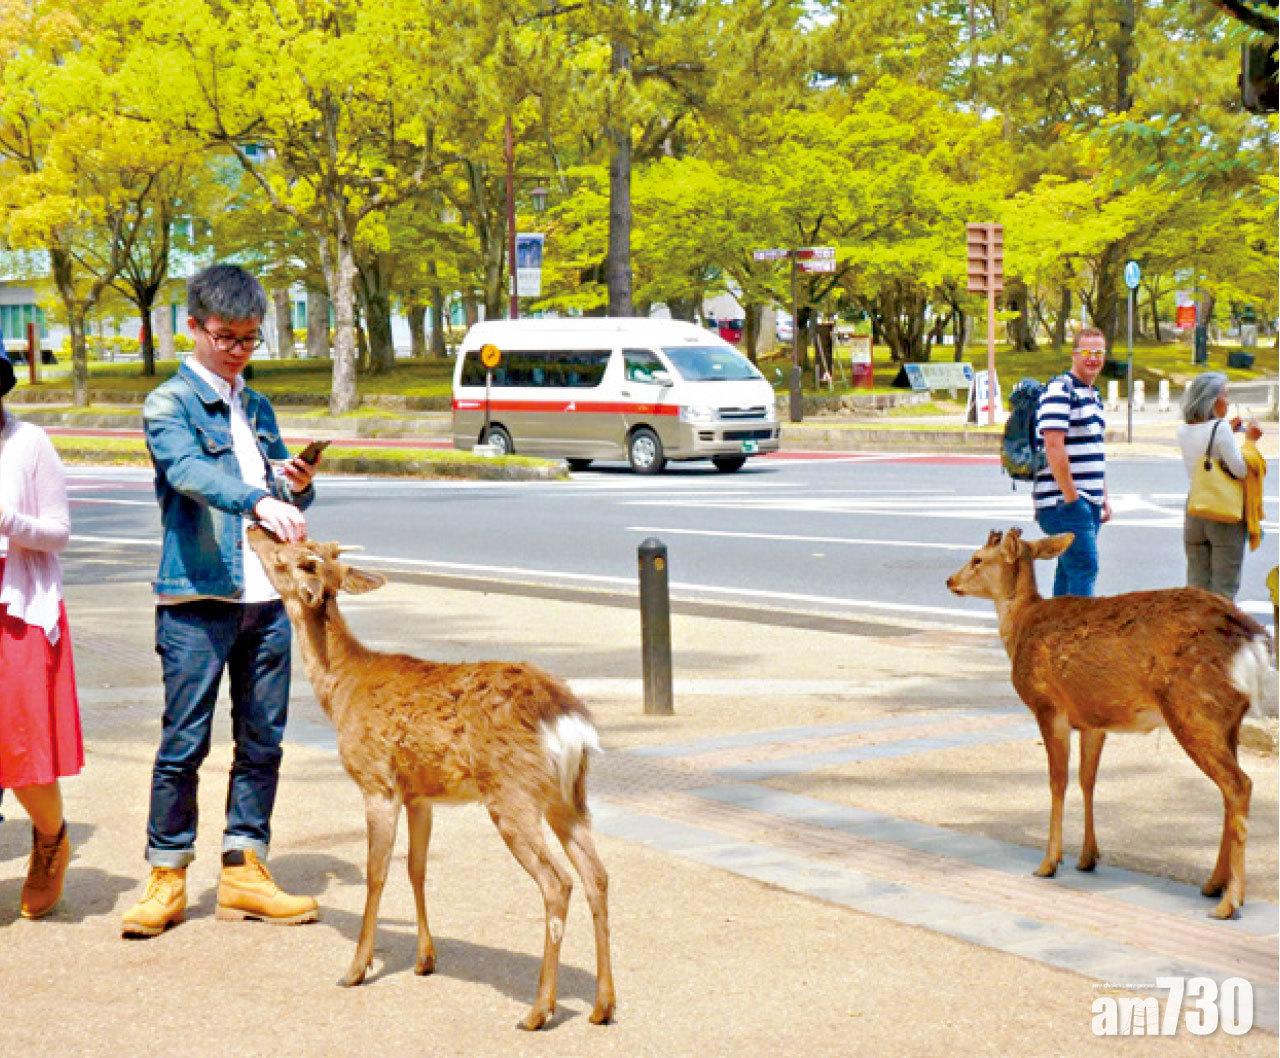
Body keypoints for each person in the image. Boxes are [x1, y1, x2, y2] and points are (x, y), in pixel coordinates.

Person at [121, 264, 322, 938]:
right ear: (193, 327)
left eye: (250, 338)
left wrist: (294, 483)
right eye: (225, 336)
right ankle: (167, 875)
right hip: (198, 597)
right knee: (184, 742)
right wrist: (258, 497)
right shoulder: (169, 403)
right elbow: (188, 472)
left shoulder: (256, 406)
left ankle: (244, 868)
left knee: (263, 739)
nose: (238, 349)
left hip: (267, 598)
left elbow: (279, 493)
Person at [0, 348, 83, 918]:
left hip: (16, 606)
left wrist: (7, 522)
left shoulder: (28, 443)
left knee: (20, 744)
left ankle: (51, 838)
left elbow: (58, 531)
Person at [1033, 327, 1112, 597]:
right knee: (1084, 567)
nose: (1093, 358)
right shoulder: (1060, 389)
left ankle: (1058, 624)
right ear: (1074, 354)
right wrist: (1072, 499)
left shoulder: (1093, 394)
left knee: (1069, 570)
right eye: (1087, 352)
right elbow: (1053, 444)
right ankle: (1081, 625)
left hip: (1087, 501)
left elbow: (1094, 447)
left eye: (1099, 352)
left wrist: (1102, 496)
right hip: (1065, 502)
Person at [1176, 372, 1263, 599]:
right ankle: (1219, 625)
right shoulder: (1220, 429)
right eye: (1226, 395)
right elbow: (1240, 470)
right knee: (1224, 589)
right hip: (1223, 512)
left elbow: (1207, 449)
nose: (1228, 401)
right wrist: (1250, 441)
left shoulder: (1183, 429)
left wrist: (1228, 433)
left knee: (1196, 589)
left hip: (1195, 509)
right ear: (1212, 399)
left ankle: (1195, 624)